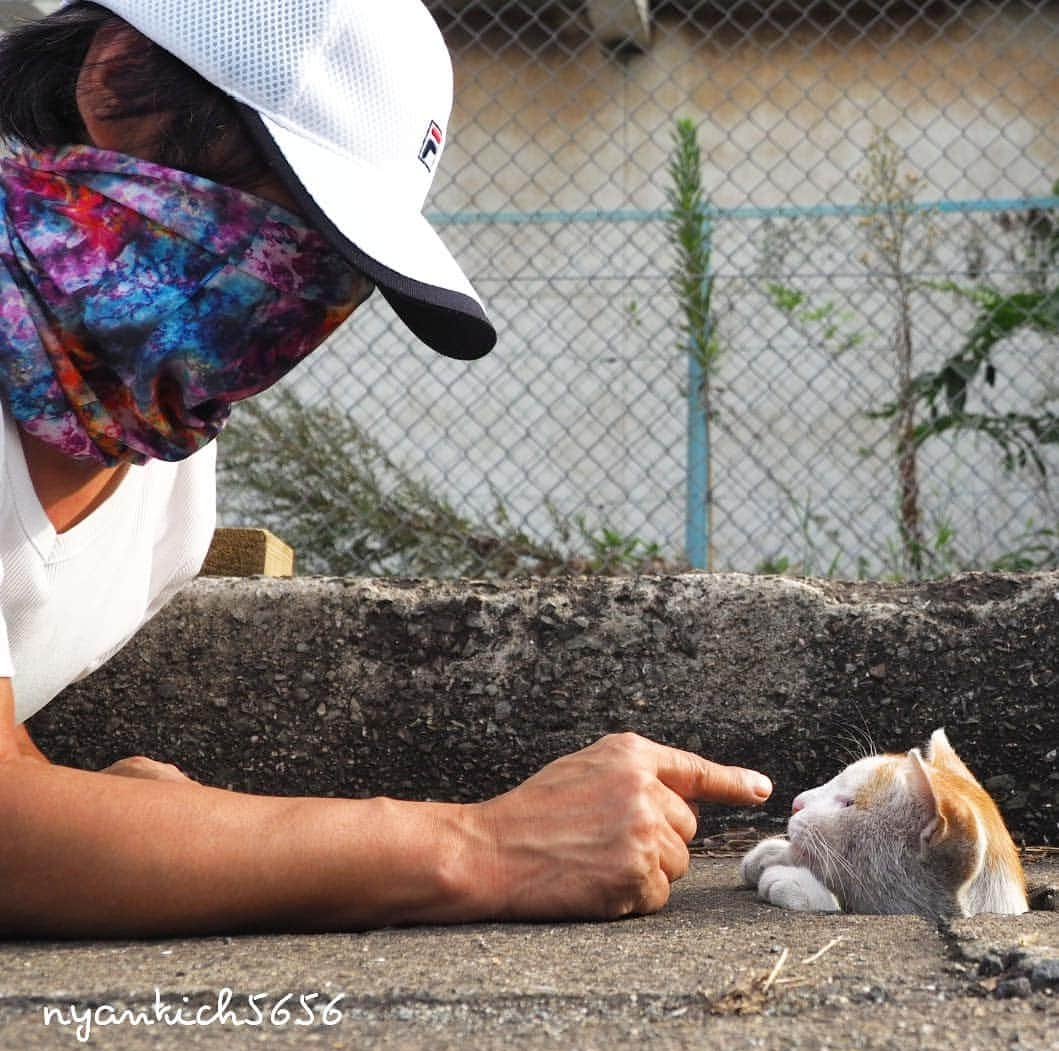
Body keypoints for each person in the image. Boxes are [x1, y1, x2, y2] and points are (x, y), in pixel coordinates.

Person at [0, 0, 773, 938]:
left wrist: (129, 831)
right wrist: (487, 847)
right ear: (116, 78)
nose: (300, 289)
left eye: (344, 258)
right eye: (282, 209)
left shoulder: (164, 473)